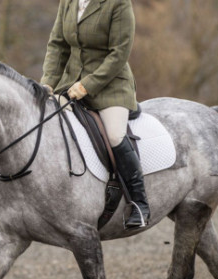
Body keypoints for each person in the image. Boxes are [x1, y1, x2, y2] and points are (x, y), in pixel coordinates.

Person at [41, 0, 150, 229]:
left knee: (114, 135)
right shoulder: (68, 2)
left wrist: (88, 85)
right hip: (71, 85)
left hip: (110, 86)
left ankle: (139, 203)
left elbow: (119, 54)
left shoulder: (118, 4)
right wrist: (48, 83)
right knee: (48, 122)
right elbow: (58, 45)